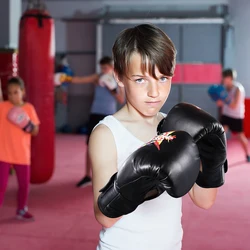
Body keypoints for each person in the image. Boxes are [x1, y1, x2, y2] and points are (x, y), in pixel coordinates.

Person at [88, 24, 226, 250]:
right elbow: (104, 217)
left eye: (162, 78)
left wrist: (212, 157)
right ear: (120, 77)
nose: (154, 92)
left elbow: (204, 201)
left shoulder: (176, 127)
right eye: (140, 79)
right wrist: (139, 179)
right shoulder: (107, 134)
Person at [66, 56, 125, 187]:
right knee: (90, 144)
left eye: (106, 67)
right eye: (102, 67)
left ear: (112, 67)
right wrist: (66, 78)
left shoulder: (117, 80)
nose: (103, 70)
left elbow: (121, 99)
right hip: (95, 113)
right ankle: (87, 176)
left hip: (109, 115)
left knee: (109, 147)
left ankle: (110, 178)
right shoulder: (97, 77)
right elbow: (81, 80)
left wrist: (111, 88)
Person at [0, 77, 40, 221]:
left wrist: (25, 124)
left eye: (16, 92)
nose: (12, 96)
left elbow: (35, 131)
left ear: (22, 92)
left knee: (24, 185)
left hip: (22, 154)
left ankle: (21, 210)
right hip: (3, 153)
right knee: (1, 186)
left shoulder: (29, 108)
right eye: (9, 93)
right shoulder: (3, 106)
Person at [217, 68, 250, 162]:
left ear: (231, 78)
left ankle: (247, 154)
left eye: (226, 77)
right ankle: (220, 156)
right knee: (221, 133)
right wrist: (218, 99)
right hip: (226, 114)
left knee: (240, 136)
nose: (224, 79)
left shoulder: (238, 89)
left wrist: (223, 99)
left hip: (236, 116)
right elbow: (220, 103)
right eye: (224, 77)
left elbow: (234, 105)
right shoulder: (223, 88)